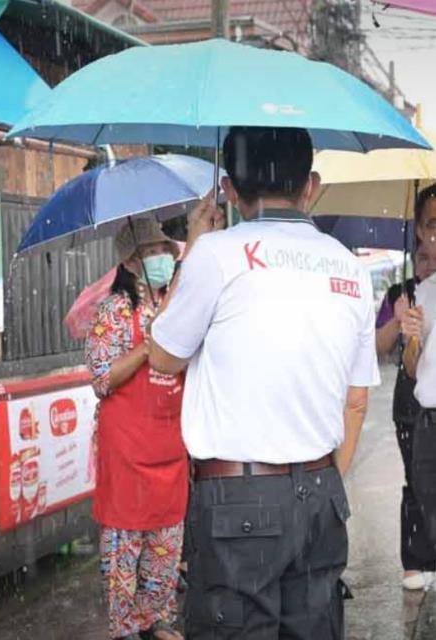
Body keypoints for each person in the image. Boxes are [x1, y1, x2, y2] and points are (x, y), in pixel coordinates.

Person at [150, 126, 379, 639]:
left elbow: (163, 356)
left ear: (230, 190)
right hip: (322, 494)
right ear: (311, 185)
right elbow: (357, 401)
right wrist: (316, 483)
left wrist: (193, 245)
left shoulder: (217, 254)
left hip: (238, 500)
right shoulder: (350, 268)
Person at [85, 218, 190, 640]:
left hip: (168, 439)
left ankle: (159, 616)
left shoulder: (174, 304)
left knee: (166, 535)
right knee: (124, 541)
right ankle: (125, 624)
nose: (163, 258)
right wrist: (148, 345)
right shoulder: (113, 311)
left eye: (165, 249)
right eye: (152, 252)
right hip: (127, 447)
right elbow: (101, 380)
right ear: (130, 261)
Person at [376, 236, 436, 590]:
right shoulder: (407, 292)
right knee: (419, 483)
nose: (429, 262)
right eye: (423, 256)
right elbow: (392, 354)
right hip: (413, 402)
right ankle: (417, 561)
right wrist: (403, 328)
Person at [401, 185, 436, 579]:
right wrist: (412, 336)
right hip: (429, 425)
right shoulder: (425, 292)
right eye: (431, 225)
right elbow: (412, 370)